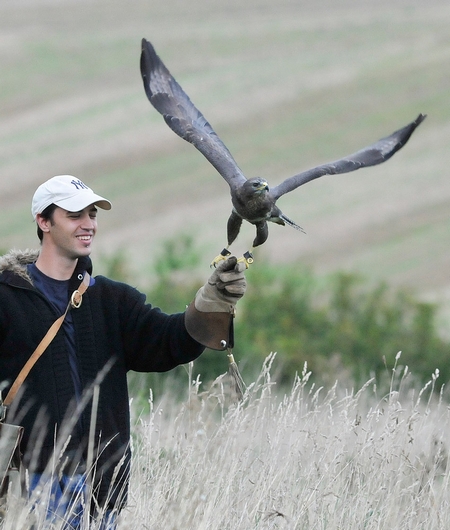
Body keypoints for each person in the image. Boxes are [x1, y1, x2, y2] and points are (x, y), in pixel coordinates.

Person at [0, 175, 247, 528]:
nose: (88, 224)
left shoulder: (113, 300)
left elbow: (169, 343)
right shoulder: (6, 298)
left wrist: (211, 304)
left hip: (103, 486)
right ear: (43, 221)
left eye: (92, 214)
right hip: (32, 483)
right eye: (74, 215)